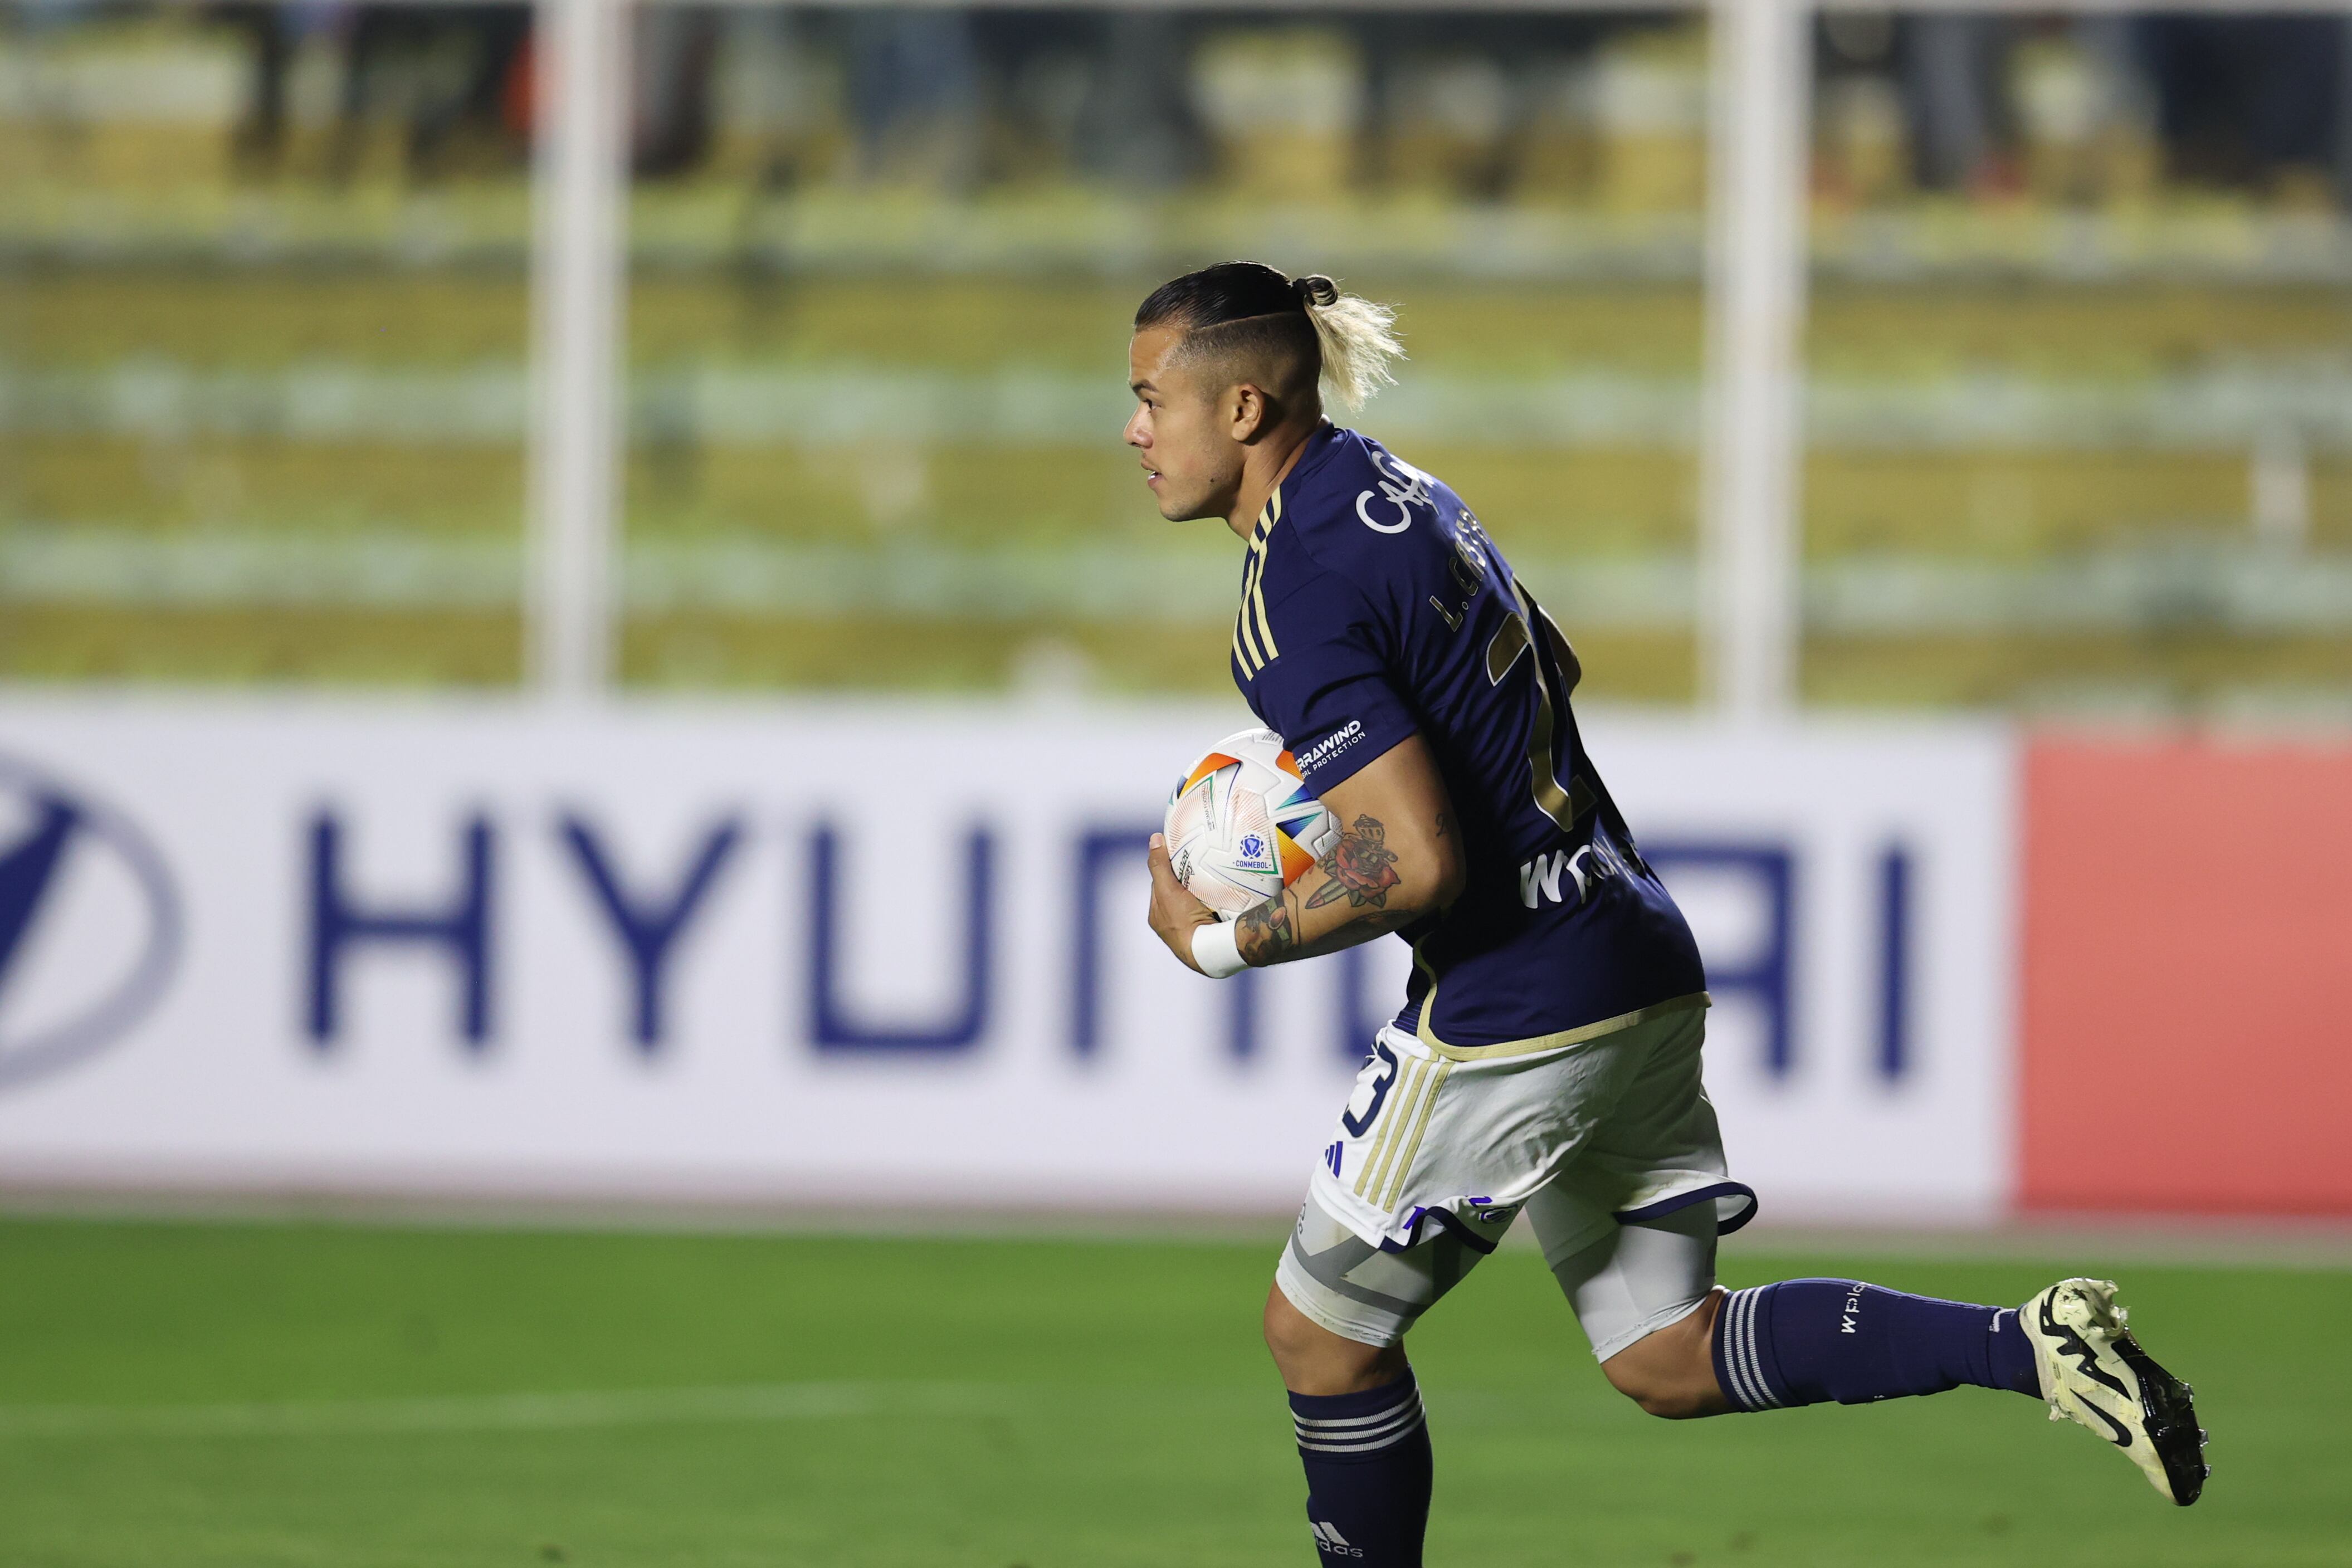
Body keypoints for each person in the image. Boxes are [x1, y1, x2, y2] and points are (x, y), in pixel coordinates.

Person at [1125, 261, 2207, 1565]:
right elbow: (1552, 659)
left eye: (1149, 400)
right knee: (1665, 1351)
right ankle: (2028, 1343)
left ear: (1241, 407)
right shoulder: (1397, 489)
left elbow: (1412, 863)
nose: (1133, 431)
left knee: (1318, 1336)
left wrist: (1220, 937)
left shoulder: (1291, 592)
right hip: (1629, 943)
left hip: (1517, 996)